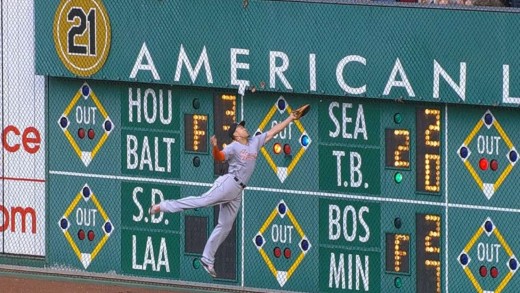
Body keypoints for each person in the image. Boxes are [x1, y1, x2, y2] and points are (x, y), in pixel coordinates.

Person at [149, 111, 297, 278]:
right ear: (235, 134)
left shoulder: (254, 142)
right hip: (228, 183)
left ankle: (207, 259)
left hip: (238, 191)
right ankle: (162, 206)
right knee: (201, 201)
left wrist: (291, 118)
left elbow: (273, 131)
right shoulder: (234, 146)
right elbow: (219, 157)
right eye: (241, 127)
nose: (244, 128)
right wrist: (214, 146)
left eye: (243, 126)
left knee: (225, 226)